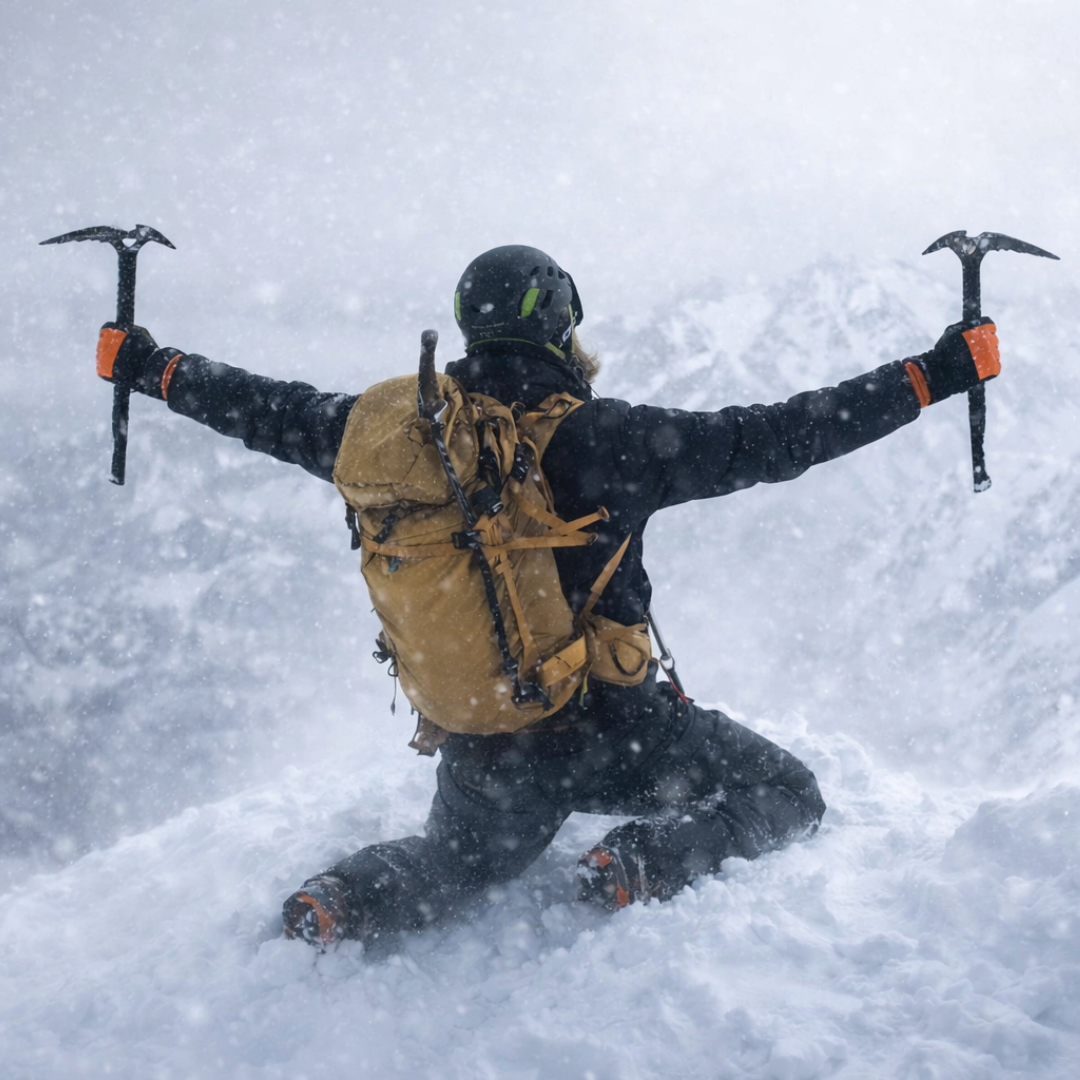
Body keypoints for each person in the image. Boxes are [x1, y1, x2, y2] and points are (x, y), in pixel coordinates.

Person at [94, 244, 1000, 948]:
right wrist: (936, 373)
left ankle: (335, 903)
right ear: (561, 324)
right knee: (788, 789)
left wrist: (147, 365)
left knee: (450, 866)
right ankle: (641, 864)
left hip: (491, 746)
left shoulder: (393, 440)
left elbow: (263, 407)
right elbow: (783, 435)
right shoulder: (612, 438)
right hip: (625, 733)